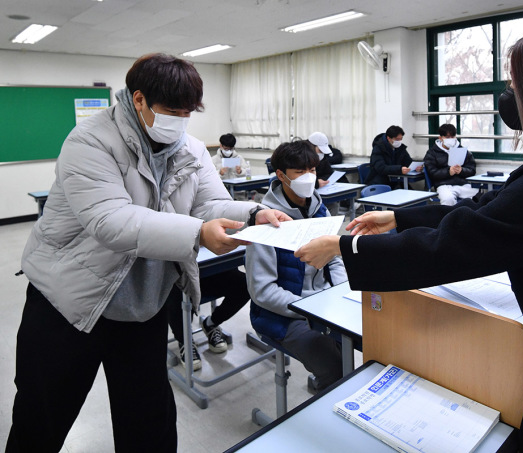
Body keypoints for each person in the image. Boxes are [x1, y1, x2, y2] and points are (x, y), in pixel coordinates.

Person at [295, 24, 523, 452]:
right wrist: (401, 219)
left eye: (514, 85)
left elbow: (451, 249)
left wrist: (345, 246)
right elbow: (487, 213)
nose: (507, 97)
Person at [7, 53, 290, 452]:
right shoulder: (90, 141)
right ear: (138, 99)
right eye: (172, 110)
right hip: (69, 303)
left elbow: (210, 203)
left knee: (149, 424)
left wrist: (254, 212)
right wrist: (198, 234)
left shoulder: (189, 148)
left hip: (143, 306)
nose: (180, 120)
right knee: (42, 418)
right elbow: (111, 221)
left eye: (187, 112)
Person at [246, 140, 346, 391]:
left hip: (321, 302)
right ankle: (329, 387)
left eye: (312, 170)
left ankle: (328, 382)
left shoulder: (319, 209)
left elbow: (333, 257)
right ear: (281, 175)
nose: (308, 177)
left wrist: (342, 291)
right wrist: (308, 309)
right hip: (282, 313)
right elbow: (263, 291)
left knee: (362, 340)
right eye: (300, 172)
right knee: (335, 365)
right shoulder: (265, 222)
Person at [166, 268, 250, 371]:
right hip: (180, 277)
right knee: (175, 289)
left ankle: (211, 324)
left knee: (244, 284)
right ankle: (185, 341)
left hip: (209, 269)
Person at [423, 123, 477, 205]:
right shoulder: (432, 153)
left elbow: (472, 170)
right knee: (448, 199)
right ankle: (450, 217)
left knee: (478, 195)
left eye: (453, 136)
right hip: (443, 185)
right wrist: (448, 172)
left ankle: (469, 216)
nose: (451, 139)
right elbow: (432, 173)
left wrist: (462, 170)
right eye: (447, 137)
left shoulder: (463, 151)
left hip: (462, 184)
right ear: (440, 138)